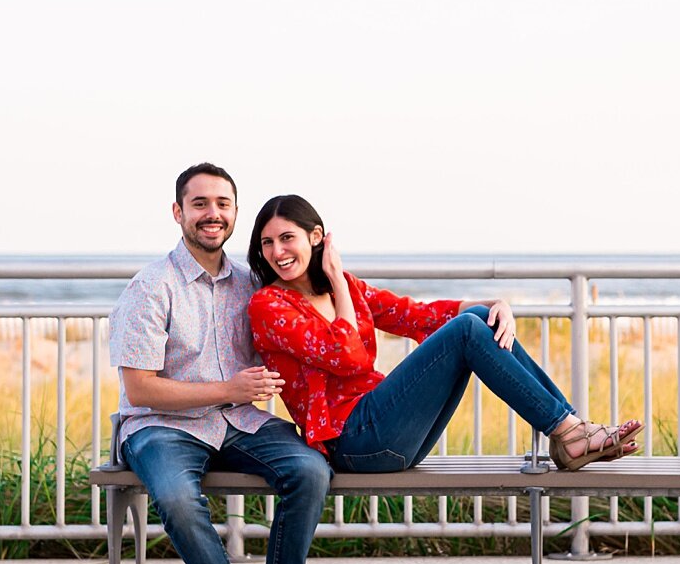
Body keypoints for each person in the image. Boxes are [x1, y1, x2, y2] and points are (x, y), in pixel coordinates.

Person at [109, 164, 331, 564]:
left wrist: (330, 264)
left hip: (240, 422)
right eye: (200, 204)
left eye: (223, 204)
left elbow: (322, 301)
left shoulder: (252, 281)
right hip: (161, 426)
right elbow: (140, 389)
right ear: (178, 212)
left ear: (234, 213)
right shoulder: (151, 286)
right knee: (177, 498)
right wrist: (228, 388)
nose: (213, 214)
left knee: (311, 470)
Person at [245, 194, 642, 472]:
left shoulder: (346, 287)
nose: (278, 252)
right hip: (351, 442)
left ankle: (568, 428)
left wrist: (491, 306)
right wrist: (335, 276)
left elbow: (414, 316)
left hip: (392, 437)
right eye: (267, 243)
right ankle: (570, 433)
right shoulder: (269, 306)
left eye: (286, 238)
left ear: (316, 237)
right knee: (468, 329)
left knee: (477, 319)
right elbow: (348, 355)